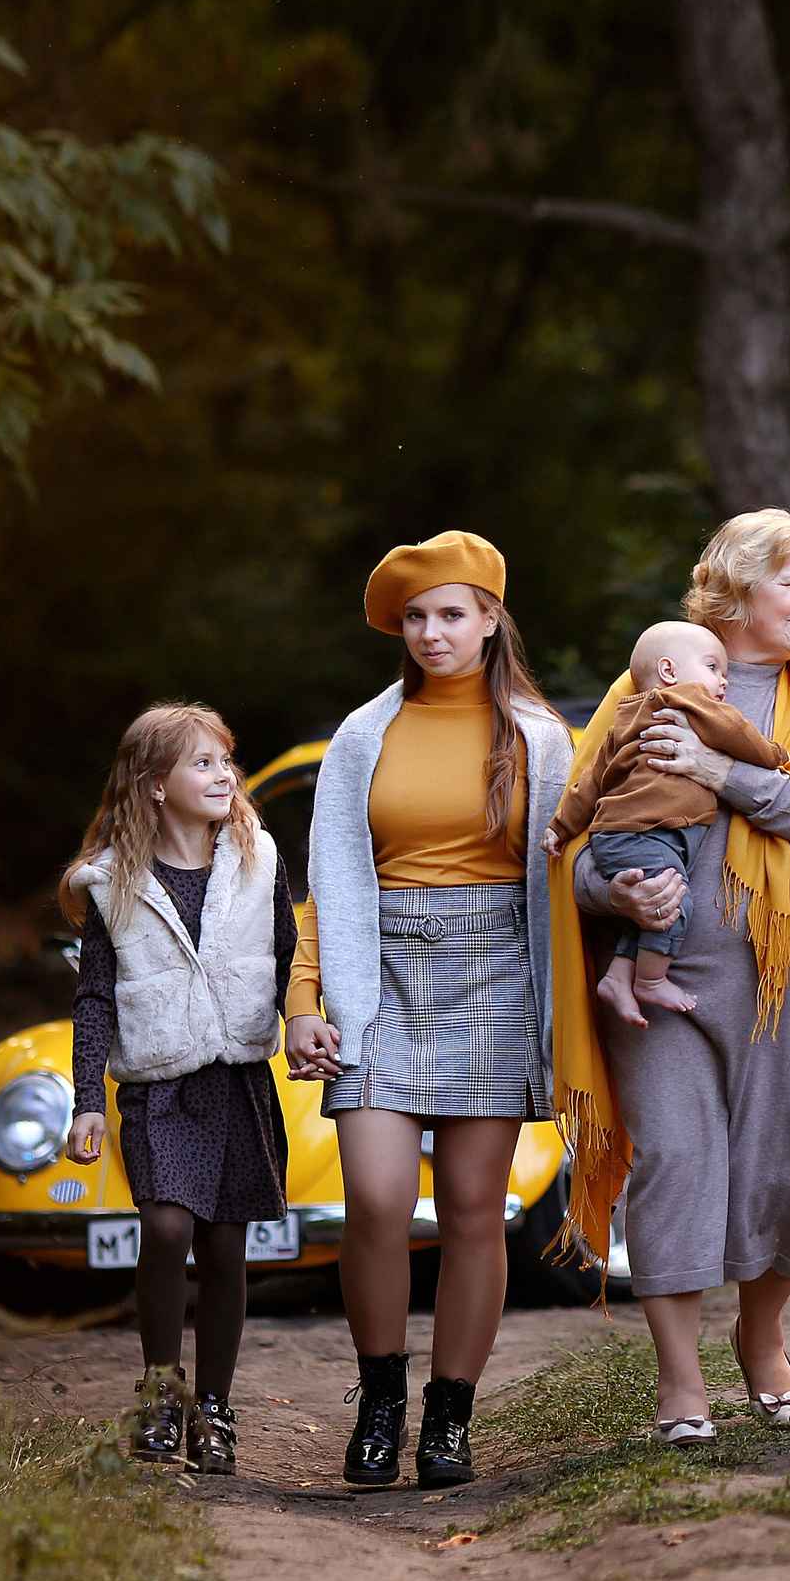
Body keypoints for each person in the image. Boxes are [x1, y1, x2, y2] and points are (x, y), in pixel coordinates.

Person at [549, 509, 790, 1447]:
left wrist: (719, 770)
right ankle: (680, 1377)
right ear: (737, 585)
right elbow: (579, 840)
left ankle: (761, 1330)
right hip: (655, 978)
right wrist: (614, 888)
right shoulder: (645, 685)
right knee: (674, 1157)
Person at [281, 531, 573, 1489]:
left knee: (472, 1208)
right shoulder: (363, 735)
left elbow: (569, 877)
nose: (432, 632)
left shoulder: (539, 737)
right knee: (374, 1196)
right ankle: (380, 1401)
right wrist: (304, 997)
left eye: (452, 613)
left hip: (500, 971)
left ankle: (450, 1415)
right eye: (416, 617)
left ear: (491, 619)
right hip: (379, 974)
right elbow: (329, 882)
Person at [61, 703, 295, 1473]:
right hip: (160, 1088)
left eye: (226, 759)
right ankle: (161, 1393)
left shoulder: (258, 859)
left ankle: (214, 1409)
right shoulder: (113, 882)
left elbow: (290, 957)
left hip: (238, 1082)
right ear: (156, 785)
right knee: (166, 1227)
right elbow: (94, 996)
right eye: (203, 762)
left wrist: (309, 1023)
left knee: (225, 1246)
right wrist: (86, 1100)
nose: (224, 774)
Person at [539, 620, 788, 1025]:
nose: (723, 681)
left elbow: (592, 781)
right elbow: (735, 731)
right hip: (645, 833)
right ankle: (651, 981)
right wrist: (775, 755)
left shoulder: (624, 718)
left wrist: (561, 826)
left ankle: (619, 975)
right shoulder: (686, 700)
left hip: (621, 834)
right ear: (670, 672)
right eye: (712, 667)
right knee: (674, 903)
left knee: (652, 907)